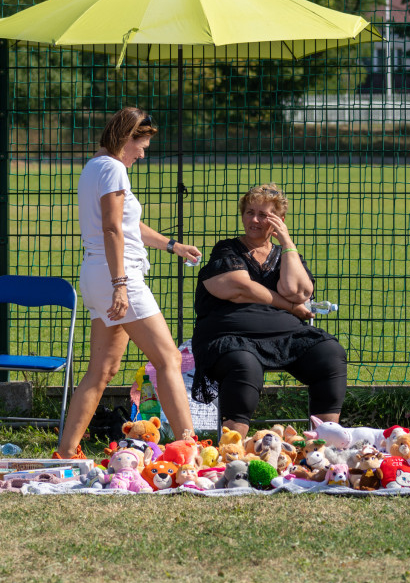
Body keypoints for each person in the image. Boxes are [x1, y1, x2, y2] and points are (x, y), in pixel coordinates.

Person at [54, 107, 202, 458]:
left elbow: (127, 225)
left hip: (95, 274)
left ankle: (65, 451)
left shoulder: (95, 167)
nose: (143, 153)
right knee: (168, 360)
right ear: (127, 138)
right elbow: (112, 228)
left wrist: (172, 245)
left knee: (101, 370)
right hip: (117, 277)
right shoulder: (114, 169)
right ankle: (189, 448)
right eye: (142, 144)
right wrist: (120, 283)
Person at [190, 183, 347, 439]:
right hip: (230, 337)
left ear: (279, 220)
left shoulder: (286, 254)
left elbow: (299, 292)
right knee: (244, 365)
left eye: (263, 215)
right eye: (249, 212)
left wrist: (286, 242)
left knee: (330, 353)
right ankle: (233, 449)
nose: (254, 220)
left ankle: (326, 443)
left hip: (285, 337)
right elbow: (243, 288)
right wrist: (289, 307)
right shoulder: (227, 249)